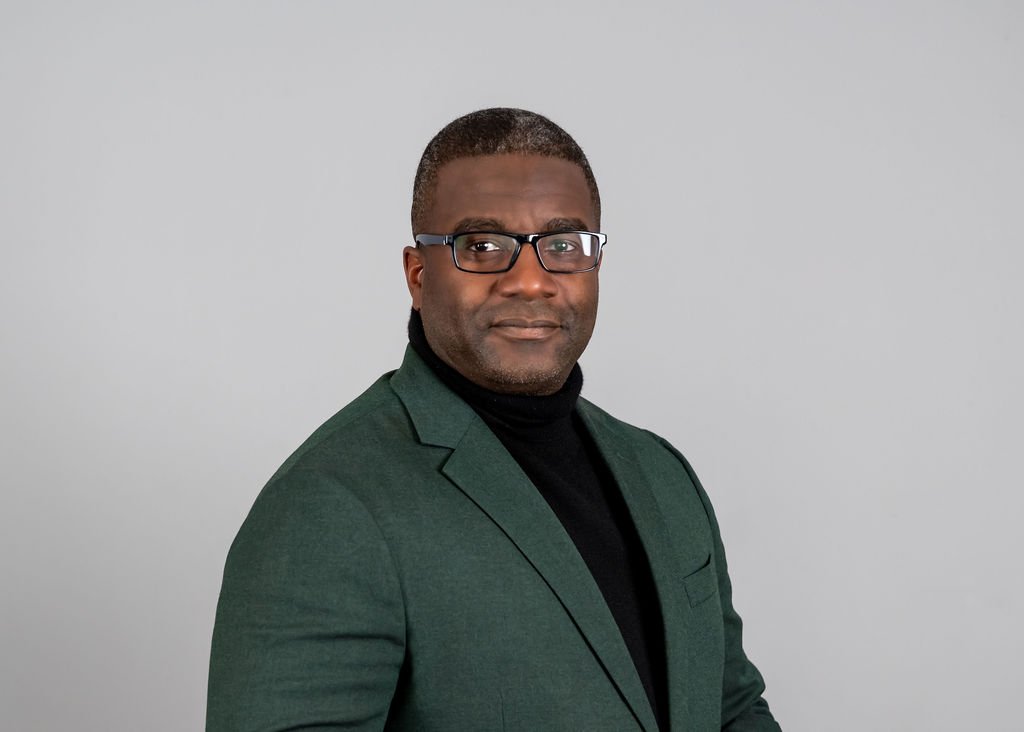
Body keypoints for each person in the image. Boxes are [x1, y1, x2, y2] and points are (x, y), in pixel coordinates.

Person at [207, 108, 782, 731]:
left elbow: (731, 710)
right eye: (482, 247)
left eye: (562, 245)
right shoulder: (328, 506)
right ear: (418, 275)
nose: (531, 282)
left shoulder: (662, 473)